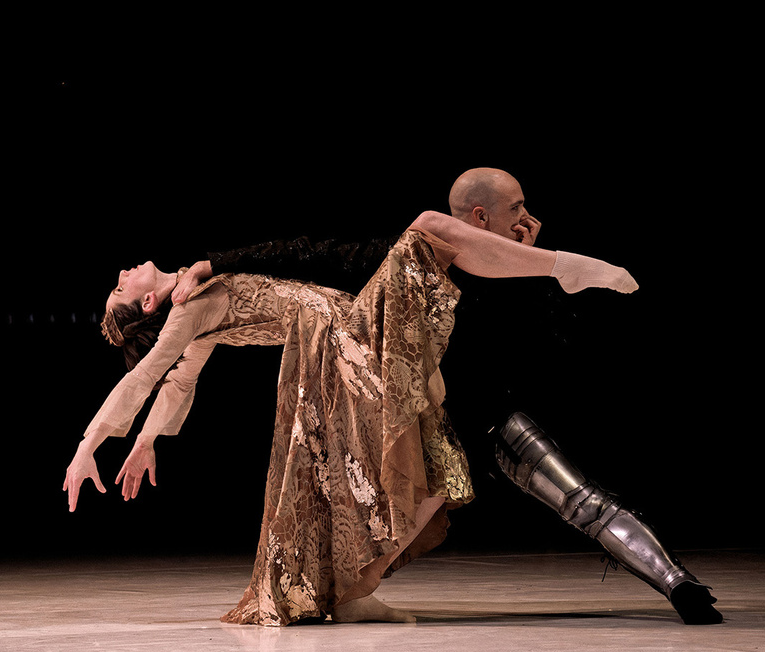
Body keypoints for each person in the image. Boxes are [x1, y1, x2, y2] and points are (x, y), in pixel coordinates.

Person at [157, 167, 723, 625]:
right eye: (517, 207)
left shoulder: (516, 270)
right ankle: (348, 595)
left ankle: (678, 583)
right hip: (399, 409)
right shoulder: (416, 251)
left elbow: (552, 346)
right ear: (480, 215)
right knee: (425, 225)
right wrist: (218, 262)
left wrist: (534, 272)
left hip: (484, 420)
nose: (528, 216)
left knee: (583, 503)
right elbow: (306, 252)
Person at [63, 196, 639, 627]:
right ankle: (562, 266)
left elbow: (178, 385)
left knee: (440, 466)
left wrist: (146, 441)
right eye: (120, 289)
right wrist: (90, 445)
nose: (120, 274)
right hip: (349, 338)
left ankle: (356, 591)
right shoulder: (184, 310)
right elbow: (150, 378)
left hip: (347, 340)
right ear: (146, 301)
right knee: (429, 230)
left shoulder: (196, 297)